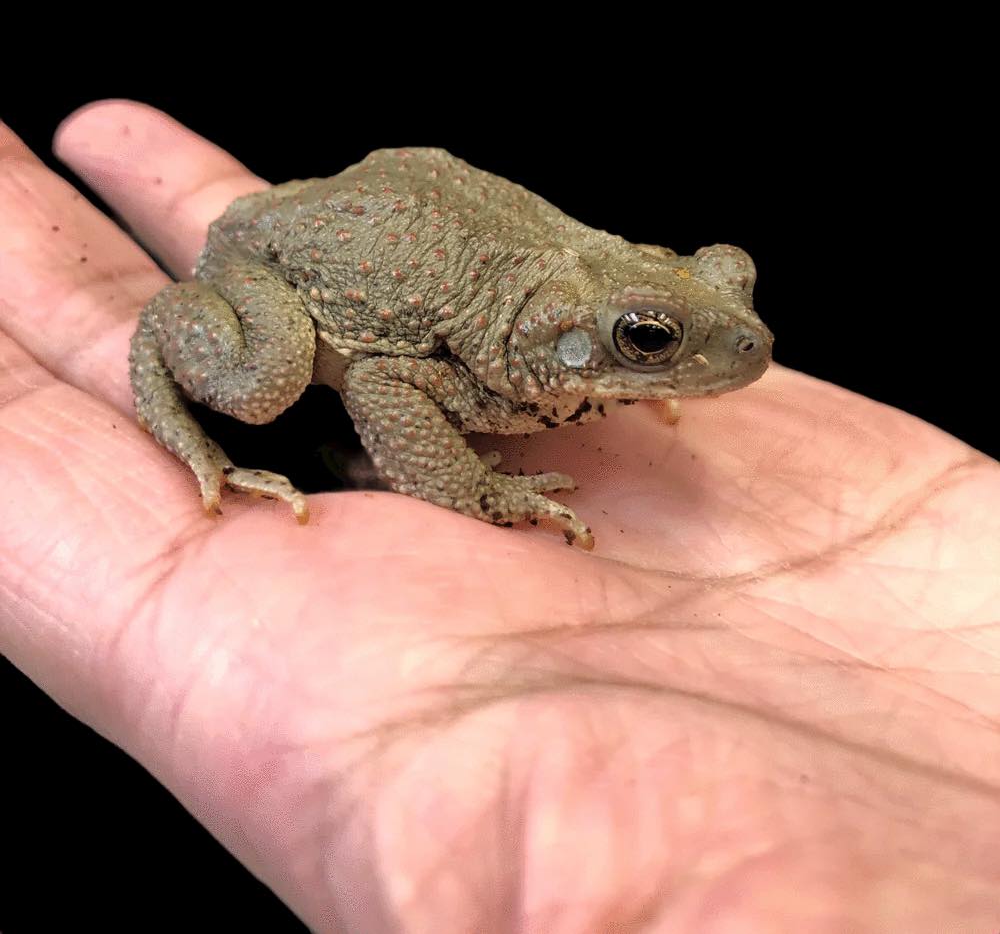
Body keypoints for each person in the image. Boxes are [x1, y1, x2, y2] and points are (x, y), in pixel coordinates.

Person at [1, 100, 996, 931]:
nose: (743, 342)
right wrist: (477, 488)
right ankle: (180, 418)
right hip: (293, 263)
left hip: (411, 211)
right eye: (649, 338)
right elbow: (386, 378)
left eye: (702, 296)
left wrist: (640, 352)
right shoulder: (500, 366)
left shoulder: (569, 315)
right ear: (577, 340)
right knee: (264, 384)